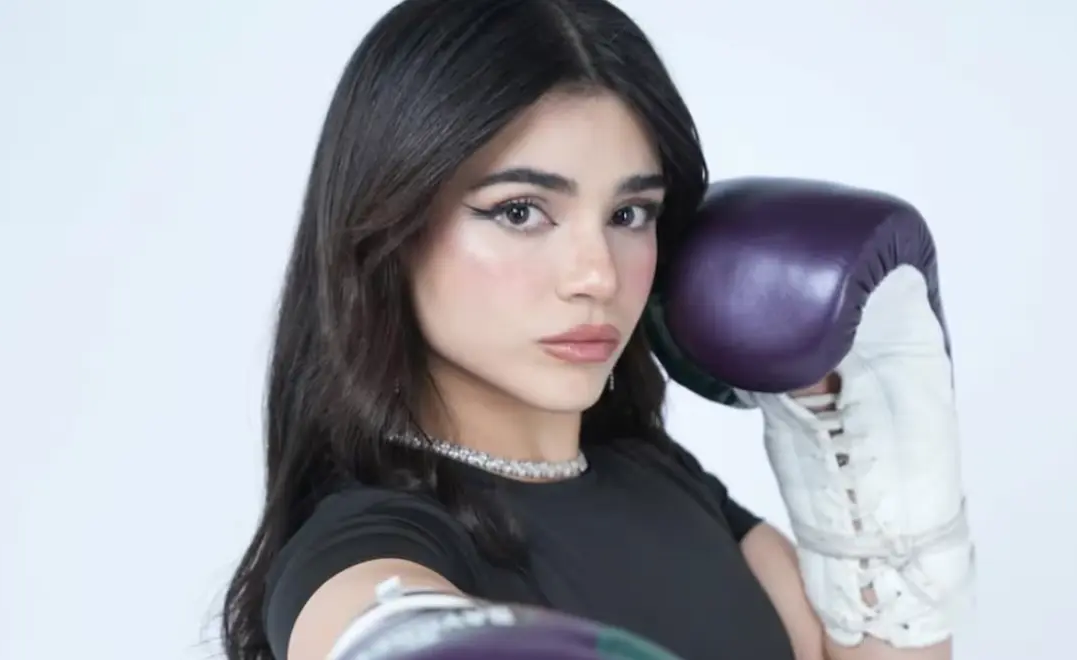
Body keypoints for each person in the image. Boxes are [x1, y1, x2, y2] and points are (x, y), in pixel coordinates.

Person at [219, 1, 974, 659]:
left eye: (628, 214)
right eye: (520, 211)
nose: (597, 275)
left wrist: (853, 425)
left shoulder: (662, 482)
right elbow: (360, 624)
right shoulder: (367, 545)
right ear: (388, 227)